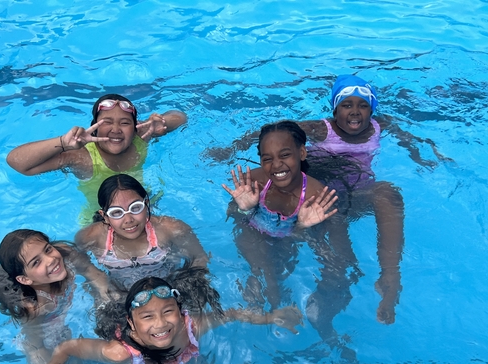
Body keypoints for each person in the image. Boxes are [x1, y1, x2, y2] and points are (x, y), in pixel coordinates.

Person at [14, 272, 302, 364]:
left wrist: (270, 318)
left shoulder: (191, 328)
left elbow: (231, 314)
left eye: (168, 312)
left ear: (180, 312)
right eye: (147, 317)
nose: (161, 324)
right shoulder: (119, 352)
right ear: (132, 323)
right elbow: (68, 347)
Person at [223, 121, 403, 338]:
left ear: (302, 153)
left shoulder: (317, 197)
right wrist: (244, 208)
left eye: (285, 155)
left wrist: (303, 226)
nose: (276, 165)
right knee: (266, 284)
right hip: (254, 234)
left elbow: (339, 252)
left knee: (339, 274)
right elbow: (234, 218)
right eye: (267, 158)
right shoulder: (255, 181)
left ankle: (323, 326)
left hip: (291, 238)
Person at [6, 93, 187, 221]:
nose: (116, 129)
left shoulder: (141, 137)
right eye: (107, 122)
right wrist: (63, 142)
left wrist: (159, 124)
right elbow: (17, 162)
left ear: (135, 128)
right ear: (94, 127)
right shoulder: (82, 157)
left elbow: (180, 117)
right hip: (101, 221)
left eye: (125, 123)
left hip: (142, 209)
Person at [209, 75, 448, 170]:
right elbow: (274, 131)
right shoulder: (321, 129)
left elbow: (409, 138)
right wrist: (231, 149)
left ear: (372, 110)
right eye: (347, 105)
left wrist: (424, 156)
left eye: (363, 106)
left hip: (357, 181)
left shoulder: (380, 125)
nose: (355, 112)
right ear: (335, 111)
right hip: (319, 175)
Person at [0, 229, 110, 364]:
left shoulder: (66, 255)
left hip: (53, 298)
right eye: (36, 262)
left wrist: (106, 304)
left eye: (47, 249)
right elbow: (36, 346)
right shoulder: (35, 307)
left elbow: (93, 273)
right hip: (48, 327)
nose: (50, 259)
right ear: (25, 279)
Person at [75, 174, 209, 292]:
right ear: (105, 216)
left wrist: (185, 287)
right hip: (119, 293)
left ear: (146, 205)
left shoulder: (171, 229)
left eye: (135, 208)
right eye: (116, 212)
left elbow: (199, 257)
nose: (128, 219)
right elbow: (75, 259)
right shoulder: (91, 237)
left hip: (168, 288)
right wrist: (98, 279)